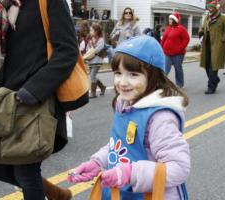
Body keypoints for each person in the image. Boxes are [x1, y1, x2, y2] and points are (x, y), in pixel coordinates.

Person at [67, 36, 190, 199]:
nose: (122, 82)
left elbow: (179, 168)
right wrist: (97, 163)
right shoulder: (126, 104)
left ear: (154, 76)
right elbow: (120, 145)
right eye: (118, 73)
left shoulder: (160, 117)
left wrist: (129, 173)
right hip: (121, 193)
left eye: (133, 74)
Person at [0, 0, 79, 199]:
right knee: (3, 165)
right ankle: (57, 194)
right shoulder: (0, 5)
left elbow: (67, 50)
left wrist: (33, 91)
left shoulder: (49, 2)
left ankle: (55, 194)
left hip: (31, 101)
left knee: (25, 170)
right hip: (0, 99)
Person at [199, 0, 225, 94]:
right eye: (208, 7)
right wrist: (201, 31)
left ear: (216, 9)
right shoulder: (207, 17)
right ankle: (215, 79)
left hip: (218, 46)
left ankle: (211, 87)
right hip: (207, 44)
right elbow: (203, 27)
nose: (209, 9)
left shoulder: (223, 18)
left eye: (211, 8)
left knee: (213, 66)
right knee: (206, 65)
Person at [161, 12, 190, 88]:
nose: (169, 20)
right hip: (167, 53)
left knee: (178, 69)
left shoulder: (181, 29)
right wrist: (161, 47)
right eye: (169, 19)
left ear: (175, 20)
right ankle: (161, 83)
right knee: (165, 69)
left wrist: (179, 48)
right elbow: (164, 39)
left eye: (171, 19)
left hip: (178, 54)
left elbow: (186, 39)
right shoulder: (168, 28)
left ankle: (180, 84)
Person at [86, 23, 106, 98]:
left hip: (98, 60)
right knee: (92, 75)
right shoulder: (90, 39)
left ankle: (93, 93)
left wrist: (92, 49)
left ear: (96, 31)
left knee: (92, 75)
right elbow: (88, 49)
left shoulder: (101, 40)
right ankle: (102, 87)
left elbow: (98, 49)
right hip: (91, 60)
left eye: (92, 30)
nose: (90, 32)